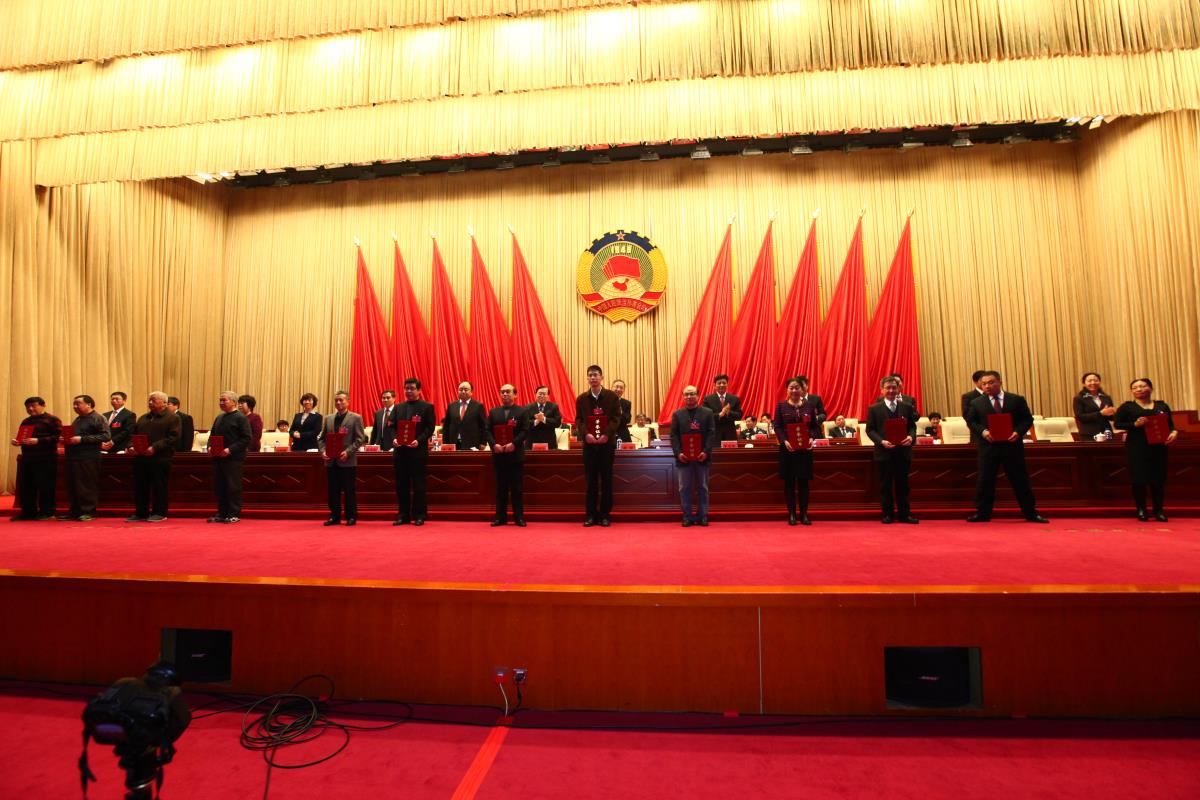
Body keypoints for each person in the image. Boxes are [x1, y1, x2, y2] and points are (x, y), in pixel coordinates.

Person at [964, 371, 1048, 523]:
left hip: (1012, 446)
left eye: (991, 382)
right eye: (984, 384)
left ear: (999, 382)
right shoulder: (976, 403)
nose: (987, 386)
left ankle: (1030, 513)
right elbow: (971, 422)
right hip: (988, 447)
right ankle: (982, 513)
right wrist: (983, 432)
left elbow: (1027, 419)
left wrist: (1018, 432)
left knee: (1020, 480)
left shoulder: (1016, 400)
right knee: (985, 480)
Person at [1114, 378, 1178, 522]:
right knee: (1138, 479)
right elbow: (1117, 424)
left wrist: (1174, 432)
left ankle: (1158, 510)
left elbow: (1170, 424)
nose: (1139, 389)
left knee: (1158, 480)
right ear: (1132, 391)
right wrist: (1134, 424)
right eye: (1135, 387)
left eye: (1143, 386)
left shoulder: (1162, 405)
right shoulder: (1127, 407)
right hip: (1136, 448)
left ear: (1150, 388)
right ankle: (1141, 509)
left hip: (1159, 448)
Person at [865, 376, 919, 524]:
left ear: (898, 389)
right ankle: (887, 514)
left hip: (903, 452)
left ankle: (905, 515)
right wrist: (881, 441)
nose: (891, 390)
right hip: (884, 453)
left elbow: (912, 427)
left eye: (894, 387)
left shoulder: (906, 406)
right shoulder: (874, 409)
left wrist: (911, 437)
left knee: (903, 485)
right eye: (888, 388)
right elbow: (870, 430)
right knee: (885, 485)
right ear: (882, 390)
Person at [575, 364, 621, 527]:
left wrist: (606, 435)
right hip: (589, 446)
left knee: (606, 481)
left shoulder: (611, 397)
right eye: (590, 375)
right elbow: (579, 419)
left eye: (596, 375)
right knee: (591, 482)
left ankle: (605, 515)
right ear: (587, 378)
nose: (593, 378)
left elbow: (616, 418)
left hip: (606, 445)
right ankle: (590, 515)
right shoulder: (582, 398)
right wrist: (585, 434)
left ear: (602, 377)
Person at [127, 391, 182, 523]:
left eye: (154, 400)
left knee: (159, 486)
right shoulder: (143, 418)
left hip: (160, 457)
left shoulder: (172, 418)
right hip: (141, 457)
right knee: (140, 486)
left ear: (164, 403)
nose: (150, 402)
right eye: (149, 400)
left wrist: (154, 447)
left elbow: (173, 437)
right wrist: (130, 446)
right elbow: (133, 435)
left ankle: (159, 512)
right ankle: (141, 512)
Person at [775, 377, 819, 525]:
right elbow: (777, 427)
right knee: (789, 483)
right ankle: (792, 514)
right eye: (791, 388)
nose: (794, 390)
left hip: (804, 450)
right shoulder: (781, 406)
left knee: (804, 483)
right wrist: (784, 441)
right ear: (787, 390)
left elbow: (814, 426)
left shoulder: (809, 406)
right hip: (788, 450)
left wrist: (812, 438)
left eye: (797, 387)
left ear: (803, 389)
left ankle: (804, 514)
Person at [670, 385, 716, 526]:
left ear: (698, 395)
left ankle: (703, 516)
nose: (689, 397)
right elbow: (674, 436)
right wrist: (678, 453)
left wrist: (706, 451)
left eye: (692, 394)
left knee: (703, 487)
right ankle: (687, 516)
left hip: (702, 457)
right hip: (683, 458)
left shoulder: (707, 413)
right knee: (684, 488)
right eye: (686, 394)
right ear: (683, 397)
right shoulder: (677, 414)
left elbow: (711, 433)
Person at [10, 396, 62, 521]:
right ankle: (28, 512)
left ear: (43, 405)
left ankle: (47, 512)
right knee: (26, 486)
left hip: (46, 458)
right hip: (28, 458)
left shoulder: (52, 419)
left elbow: (58, 437)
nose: (30, 409)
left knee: (46, 486)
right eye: (28, 407)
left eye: (33, 406)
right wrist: (17, 441)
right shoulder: (26, 421)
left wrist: (38, 440)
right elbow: (22, 437)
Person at [391, 378, 435, 526]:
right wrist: (394, 439)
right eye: (406, 388)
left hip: (417, 452)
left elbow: (430, 428)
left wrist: (419, 440)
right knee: (401, 485)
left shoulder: (427, 407)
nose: (409, 391)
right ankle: (403, 515)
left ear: (419, 390)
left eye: (412, 388)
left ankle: (419, 515)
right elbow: (391, 427)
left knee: (419, 486)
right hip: (400, 453)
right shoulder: (398, 407)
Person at [59, 394, 109, 521]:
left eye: (78, 404)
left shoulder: (98, 418)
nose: (75, 406)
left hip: (88, 457)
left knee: (86, 485)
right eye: (74, 404)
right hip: (73, 456)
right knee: (73, 485)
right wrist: (65, 439)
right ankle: (75, 511)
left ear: (89, 404)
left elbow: (105, 436)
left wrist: (81, 439)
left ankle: (89, 512)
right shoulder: (78, 419)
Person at [320, 390, 366, 526]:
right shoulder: (328, 418)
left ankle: (351, 516)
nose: (339, 402)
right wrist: (323, 451)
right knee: (333, 490)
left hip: (347, 460)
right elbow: (321, 438)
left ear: (348, 401)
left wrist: (348, 452)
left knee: (349, 490)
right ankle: (334, 516)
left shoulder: (355, 418)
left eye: (341, 400)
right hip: (331, 461)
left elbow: (360, 439)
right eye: (336, 400)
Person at [485, 384, 529, 526]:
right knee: (500, 489)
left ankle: (519, 517)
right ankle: (500, 517)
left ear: (515, 394)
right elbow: (487, 431)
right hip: (499, 455)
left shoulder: (522, 411)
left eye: (508, 392)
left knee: (517, 489)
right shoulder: (493, 412)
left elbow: (525, 431)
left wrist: (514, 444)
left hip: (515, 455)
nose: (504, 394)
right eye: (502, 392)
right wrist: (494, 445)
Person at [207, 391, 252, 524]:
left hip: (233, 458)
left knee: (233, 487)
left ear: (233, 402)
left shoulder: (241, 418)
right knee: (220, 486)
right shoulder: (219, 417)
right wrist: (210, 446)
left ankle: (233, 514)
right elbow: (212, 435)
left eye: (224, 400)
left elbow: (246, 438)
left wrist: (230, 449)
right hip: (218, 457)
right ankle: (222, 513)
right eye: (220, 400)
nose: (221, 403)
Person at [442, 381, 487, 450]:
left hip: (472, 443)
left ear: (471, 392)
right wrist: (445, 443)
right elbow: (446, 426)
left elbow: (484, 426)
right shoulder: (451, 406)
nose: (463, 392)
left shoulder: (478, 406)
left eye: (466, 390)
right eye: (460, 389)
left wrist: (483, 442)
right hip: (453, 443)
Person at [1073, 372, 1117, 440]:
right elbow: (1080, 417)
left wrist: (1114, 413)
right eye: (1089, 381)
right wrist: (1100, 413)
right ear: (1084, 384)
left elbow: (1110, 417)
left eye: (1096, 380)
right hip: (1089, 433)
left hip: (1106, 432)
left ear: (1099, 382)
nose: (1093, 383)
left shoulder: (1106, 397)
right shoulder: (1079, 398)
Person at [702, 374, 744, 442]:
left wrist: (728, 413)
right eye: (719, 383)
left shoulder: (734, 398)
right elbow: (705, 416)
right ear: (714, 385)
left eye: (724, 383)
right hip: (714, 434)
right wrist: (719, 415)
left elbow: (739, 415)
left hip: (730, 434)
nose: (721, 385)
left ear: (727, 385)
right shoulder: (708, 399)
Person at [525, 385, 563, 449]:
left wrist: (544, 419)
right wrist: (536, 421)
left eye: (544, 394)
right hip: (531, 442)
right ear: (535, 394)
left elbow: (557, 423)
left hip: (549, 442)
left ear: (548, 396)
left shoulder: (554, 407)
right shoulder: (528, 407)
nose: (542, 396)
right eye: (540, 393)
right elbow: (525, 423)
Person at [612, 379, 633, 444]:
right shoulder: (605, 401)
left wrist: (621, 412)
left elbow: (628, 420)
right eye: (616, 387)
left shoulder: (627, 403)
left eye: (621, 388)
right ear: (612, 388)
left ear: (623, 390)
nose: (618, 389)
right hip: (608, 434)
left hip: (622, 433)